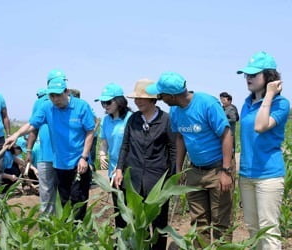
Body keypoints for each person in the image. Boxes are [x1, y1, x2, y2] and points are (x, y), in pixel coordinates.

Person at [146, 72, 234, 246]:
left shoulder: (207, 104)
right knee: (198, 222)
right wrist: (179, 169)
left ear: (171, 95)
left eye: (161, 94)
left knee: (220, 223)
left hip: (218, 169)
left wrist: (226, 170)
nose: (159, 98)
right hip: (195, 170)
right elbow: (180, 137)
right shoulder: (175, 110)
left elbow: (226, 134)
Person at [5, 76, 95, 221]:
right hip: (60, 163)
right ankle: (68, 233)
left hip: (79, 163)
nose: (55, 99)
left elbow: (90, 131)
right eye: (52, 96)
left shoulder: (81, 106)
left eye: (58, 95)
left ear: (67, 92)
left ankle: (80, 233)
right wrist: (15, 135)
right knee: (65, 201)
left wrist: (84, 157)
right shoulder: (47, 108)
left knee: (78, 199)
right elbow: (32, 124)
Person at [113, 79, 176, 249]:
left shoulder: (166, 120)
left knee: (159, 223)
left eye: (141, 98)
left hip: (157, 180)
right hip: (133, 180)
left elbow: (173, 149)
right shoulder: (133, 119)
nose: (137, 101)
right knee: (135, 222)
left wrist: (172, 178)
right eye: (136, 98)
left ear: (152, 99)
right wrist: (119, 169)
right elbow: (125, 146)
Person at [237, 51, 290, 249]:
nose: (248, 78)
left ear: (269, 77)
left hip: (268, 175)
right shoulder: (246, 103)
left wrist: (268, 94)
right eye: (246, 75)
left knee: (268, 230)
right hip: (246, 175)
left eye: (254, 75)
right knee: (252, 228)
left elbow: (260, 126)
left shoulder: (281, 104)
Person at [95, 83, 132, 228]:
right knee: (118, 206)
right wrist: (102, 154)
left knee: (130, 206)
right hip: (113, 170)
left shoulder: (131, 118)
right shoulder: (105, 120)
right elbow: (104, 142)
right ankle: (120, 237)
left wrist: (122, 166)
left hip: (129, 170)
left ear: (119, 101)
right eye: (103, 103)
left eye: (108, 102)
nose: (105, 106)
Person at [26, 86, 56, 215]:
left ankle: (56, 219)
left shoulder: (68, 103)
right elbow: (33, 127)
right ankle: (48, 221)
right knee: (47, 189)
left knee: (48, 190)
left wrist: (28, 150)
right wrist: (28, 150)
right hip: (46, 154)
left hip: (61, 155)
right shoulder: (41, 104)